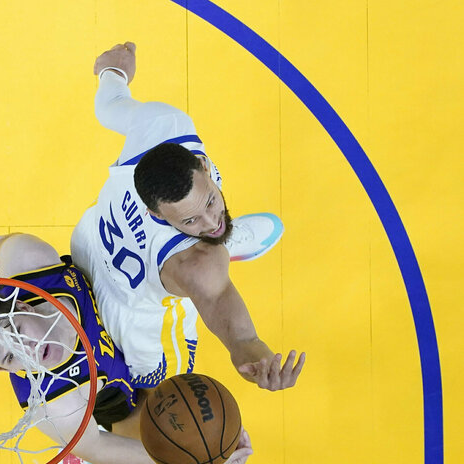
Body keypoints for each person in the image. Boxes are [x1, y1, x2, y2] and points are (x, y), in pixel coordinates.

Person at [66, 42, 307, 394]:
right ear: (156, 213)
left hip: (86, 244)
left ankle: (227, 244)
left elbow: (112, 106)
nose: (210, 223)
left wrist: (113, 73)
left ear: (203, 167)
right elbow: (240, 335)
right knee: (162, 402)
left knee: (211, 251)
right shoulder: (196, 264)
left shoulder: (164, 125)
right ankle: (227, 247)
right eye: (190, 222)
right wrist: (255, 356)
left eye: (210, 202)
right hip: (135, 320)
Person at [0, 228, 253, 464]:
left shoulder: (31, 263)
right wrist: (195, 459)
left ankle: (212, 249)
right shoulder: (54, 402)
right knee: (154, 432)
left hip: (122, 323)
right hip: (115, 398)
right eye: (10, 358)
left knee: (158, 279)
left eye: (19, 333)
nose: (28, 352)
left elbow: (7, 248)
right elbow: (95, 446)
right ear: (4, 370)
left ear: (24, 307)